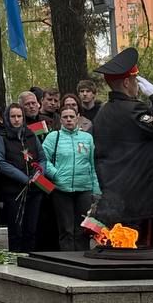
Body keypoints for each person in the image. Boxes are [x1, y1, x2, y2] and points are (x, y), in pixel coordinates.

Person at [89, 47, 153, 244]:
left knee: (118, 253)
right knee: (141, 253)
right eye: (135, 81)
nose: (138, 86)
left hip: (114, 199)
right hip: (139, 201)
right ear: (126, 82)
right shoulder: (133, 111)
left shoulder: (103, 113)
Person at [41, 107, 100, 250]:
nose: (69, 120)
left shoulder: (87, 138)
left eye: (71, 116)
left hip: (84, 189)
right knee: (66, 229)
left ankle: (82, 258)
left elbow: (93, 164)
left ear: (77, 117)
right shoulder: (53, 137)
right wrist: (55, 174)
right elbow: (43, 159)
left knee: (83, 229)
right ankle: (67, 258)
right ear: (60, 119)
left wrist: (96, 189)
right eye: (65, 117)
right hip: (61, 189)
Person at [0, 103, 45, 253]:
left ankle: (30, 258)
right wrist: (23, 178)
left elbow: (42, 158)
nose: (16, 119)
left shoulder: (31, 135)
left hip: (34, 189)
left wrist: (38, 174)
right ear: (7, 118)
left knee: (31, 229)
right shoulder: (2, 137)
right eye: (13, 116)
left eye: (19, 116)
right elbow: (0, 162)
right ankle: (15, 257)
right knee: (16, 229)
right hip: (14, 190)